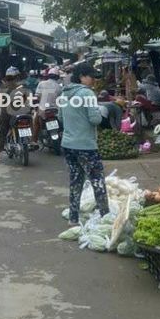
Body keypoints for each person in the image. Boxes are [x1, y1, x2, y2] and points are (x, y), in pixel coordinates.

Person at [59, 64, 109, 227]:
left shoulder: (64, 93)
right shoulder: (87, 93)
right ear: (81, 76)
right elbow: (95, 120)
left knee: (75, 180)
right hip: (86, 146)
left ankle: (73, 218)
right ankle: (106, 218)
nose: (93, 80)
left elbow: (60, 117)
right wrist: (100, 113)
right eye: (91, 77)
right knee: (98, 182)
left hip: (68, 145)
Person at [0, 67, 32, 162]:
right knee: (29, 123)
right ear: (18, 76)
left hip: (8, 114)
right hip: (23, 113)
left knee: (1, 132)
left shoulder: (4, 87)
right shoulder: (24, 86)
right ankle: (32, 141)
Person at [33, 67, 63, 141]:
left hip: (43, 110)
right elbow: (61, 100)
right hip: (56, 110)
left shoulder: (41, 84)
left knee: (36, 123)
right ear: (57, 77)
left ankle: (34, 141)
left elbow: (36, 98)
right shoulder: (59, 87)